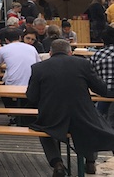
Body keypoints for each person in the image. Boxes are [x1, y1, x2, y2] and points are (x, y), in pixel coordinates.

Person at [27, 39, 114, 176]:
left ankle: (57, 163)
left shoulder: (38, 68)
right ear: (70, 52)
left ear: (50, 53)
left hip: (52, 117)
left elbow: (31, 97)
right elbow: (101, 89)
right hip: (81, 115)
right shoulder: (83, 64)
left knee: (45, 132)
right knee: (91, 123)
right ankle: (90, 161)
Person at [0, 30, 41, 116]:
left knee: (2, 90)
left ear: (6, 40)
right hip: (31, 83)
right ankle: (22, 115)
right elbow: (38, 64)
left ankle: (12, 114)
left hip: (12, 85)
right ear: (20, 38)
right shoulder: (32, 48)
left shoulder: (4, 49)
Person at [90, 26, 114, 127]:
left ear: (103, 40)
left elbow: (91, 75)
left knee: (98, 114)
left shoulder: (97, 55)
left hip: (104, 91)